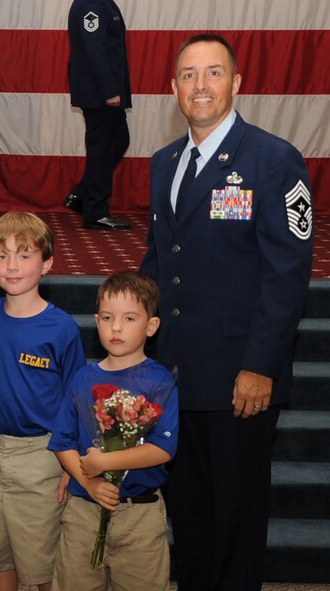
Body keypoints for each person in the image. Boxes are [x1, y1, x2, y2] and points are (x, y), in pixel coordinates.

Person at [140, 34, 315, 591]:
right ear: (174, 88)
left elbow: (286, 275)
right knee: (188, 514)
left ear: (236, 84)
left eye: (213, 73)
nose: (200, 85)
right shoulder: (163, 161)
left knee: (236, 520)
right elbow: (162, 258)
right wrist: (129, 319)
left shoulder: (273, 159)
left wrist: (261, 365)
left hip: (241, 374)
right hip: (177, 373)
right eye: (188, 75)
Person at [0, 212, 87, 591]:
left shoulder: (61, 328)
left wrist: (70, 461)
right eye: (2, 256)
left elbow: (76, 400)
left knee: (42, 556)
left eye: (24, 256)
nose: (12, 266)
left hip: (42, 453)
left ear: (47, 263)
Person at [48, 270, 178, 591]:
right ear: (96, 320)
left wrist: (105, 463)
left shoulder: (159, 382)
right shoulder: (82, 379)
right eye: (107, 317)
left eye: (129, 318)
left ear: (151, 326)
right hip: (83, 510)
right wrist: (87, 482)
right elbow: (62, 442)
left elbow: (163, 449)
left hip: (140, 515)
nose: (116, 327)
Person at [62, 0, 132, 230]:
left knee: (118, 140)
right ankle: (96, 211)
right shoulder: (91, 4)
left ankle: (83, 195)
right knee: (102, 147)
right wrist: (109, 91)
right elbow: (94, 49)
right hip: (99, 92)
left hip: (103, 90)